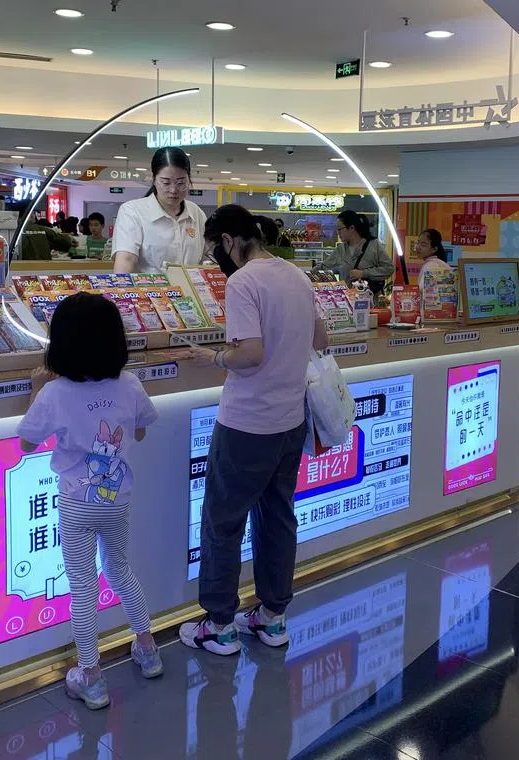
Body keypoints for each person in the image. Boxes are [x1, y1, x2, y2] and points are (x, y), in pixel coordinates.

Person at [179, 205, 327, 656]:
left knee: (223, 522)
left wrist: (214, 357)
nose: (218, 260)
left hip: (246, 423)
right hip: (290, 421)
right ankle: (272, 617)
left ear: (228, 240)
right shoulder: (296, 275)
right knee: (277, 516)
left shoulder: (243, 282)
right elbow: (321, 338)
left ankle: (220, 625)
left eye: (215, 250)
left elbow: (250, 354)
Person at [16, 292, 164, 710]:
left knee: (82, 586)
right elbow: (140, 432)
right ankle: (148, 649)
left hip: (76, 504)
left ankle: (91, 676)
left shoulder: (54, 393)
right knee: (120, 570)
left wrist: (36, 389)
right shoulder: (129, 384)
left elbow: (27, 443)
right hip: (117, 500)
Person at [112, 147, 206, 274]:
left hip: (190, 287)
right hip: (150, 287)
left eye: (180, 183)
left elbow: (207, 259)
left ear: (189, 180)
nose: (173, 190)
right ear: (154, 180)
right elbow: (126, 260)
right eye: (166, 183)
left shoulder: (196, 213)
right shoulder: (132, 212)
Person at [322, 210, 394, 294]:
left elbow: (389, 269)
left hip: (370, 299)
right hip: (346, 299)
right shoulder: (340, 249)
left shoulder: (373, 245)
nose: (338, 233)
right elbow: (323, 267)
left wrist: (364, 273)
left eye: (340, 229)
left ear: (352, 228)